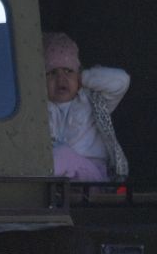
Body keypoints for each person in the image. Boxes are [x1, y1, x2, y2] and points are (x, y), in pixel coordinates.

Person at [45, 31, 130, 181]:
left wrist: (83, 78)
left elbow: (121, 81)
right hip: (60, 182)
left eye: (68, 71)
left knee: (62, 154)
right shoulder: (40, 108)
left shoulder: (91, 102)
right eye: (52, 73)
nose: (61, 80)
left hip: (90, 176)